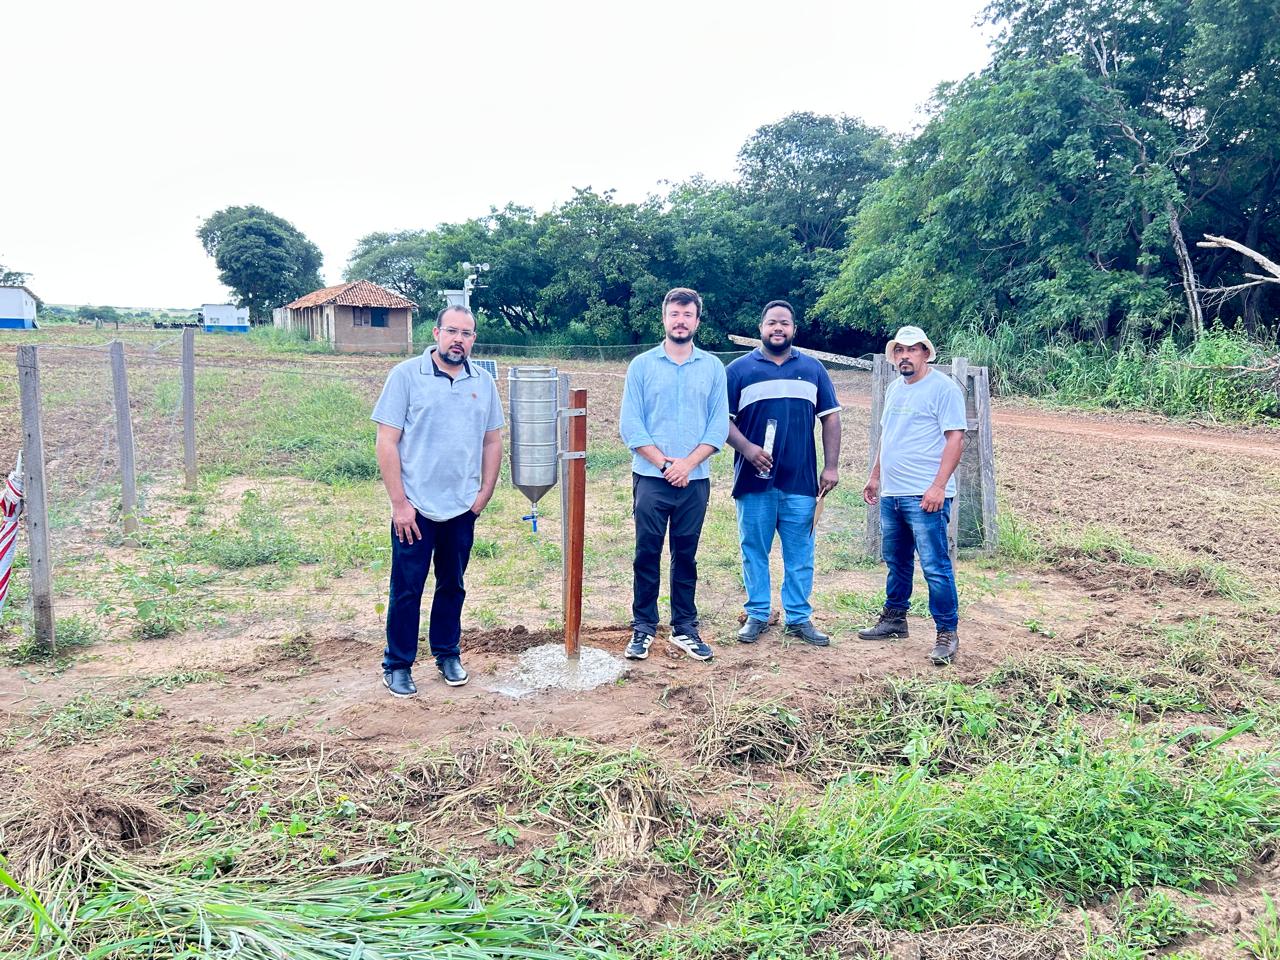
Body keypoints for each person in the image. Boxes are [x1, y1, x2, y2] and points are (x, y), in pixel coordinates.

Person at [371, 306, 504, 697]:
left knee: (453, 585)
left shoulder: (483, 382)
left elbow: (492, 440)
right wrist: (399, 503)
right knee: (408, 587)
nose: (458, 339)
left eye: (467, 333)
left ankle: (447, 654)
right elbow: (386, 441)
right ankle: (398, 664)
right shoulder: (406, 376)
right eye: (452, 331)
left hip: (462, 507)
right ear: (436, 333)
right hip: (415, 509)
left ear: (474, 339)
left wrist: (483, 495)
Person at [620, 287, 729, 663]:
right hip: (652, 478)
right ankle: (643, 628)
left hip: (694, 481)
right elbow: (631, 426)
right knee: (646, 553)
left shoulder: (713, 367)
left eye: (688, 314)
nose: (680, 320)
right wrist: (666, 464)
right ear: (664, 318)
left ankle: (685, 627)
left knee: (686, 555)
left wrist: (687, 464)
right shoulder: (642, 366)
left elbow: (717, 427)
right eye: (674, 314)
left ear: (697, 321)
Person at [726, 300, 841, 646]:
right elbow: (720, 422)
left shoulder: (813, 369)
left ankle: (798, 617)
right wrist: (748, 450)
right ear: (760, 328)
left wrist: (831, 467)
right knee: (754, 550)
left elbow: (831, 418)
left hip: (801, 481)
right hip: (753, 481)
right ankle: (758, 614)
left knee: (801, 554)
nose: (778, 329)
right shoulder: (738, 371)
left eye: (785, 324)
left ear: (794, 330)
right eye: (772, 323)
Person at [859, 325, 966, 665]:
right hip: (893, 492)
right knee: (897, 560)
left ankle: (947, 633)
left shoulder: (943, 388)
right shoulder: (894, 389)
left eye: (911, 350)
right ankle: (894, 619)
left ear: (925, 353)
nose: (904, 356)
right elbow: (887, 436)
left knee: (935, 565)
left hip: (925, 495)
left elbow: (956, 439)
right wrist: (875, 477)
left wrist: (937, 486)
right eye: (899, 351)